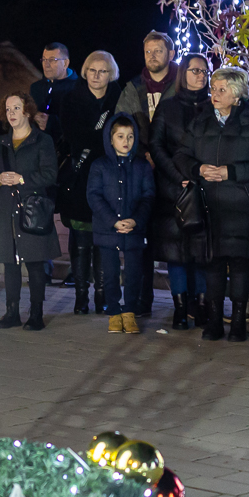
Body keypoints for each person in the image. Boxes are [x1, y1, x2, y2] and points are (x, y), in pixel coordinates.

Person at [180, 66, 249, 343]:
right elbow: (182, 154)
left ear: (237, 95)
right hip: (208, 203)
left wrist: (230, 172)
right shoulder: (201, 121)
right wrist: (198, 169)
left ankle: (238, 323)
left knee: (240, 263)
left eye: (222, 90)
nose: (215, 95)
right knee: (213, 264)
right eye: (213, 89)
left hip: (242, 204)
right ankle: (213, 322)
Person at [51, 49, 125, 312]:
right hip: (79, 176)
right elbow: (74, 136)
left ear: (111, 74)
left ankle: (102, 295)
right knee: (81, 239)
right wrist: (103, 142)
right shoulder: (70, 98)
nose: (96, 75)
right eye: (92, 70)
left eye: (102, 71)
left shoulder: (119, 98)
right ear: (85, 71)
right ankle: (81, 297)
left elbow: (124, 134)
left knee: (105, 238)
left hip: (110, 176)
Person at [150, 54, 212, 330]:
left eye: (205, 71)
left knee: (201, 251)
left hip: (206, 188)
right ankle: (178, 308)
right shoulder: (168, 107)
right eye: (195, 70)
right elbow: (157, 146)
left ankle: (200, 306)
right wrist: (178, 178)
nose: (200, 75)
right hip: (172, 190)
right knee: (175, 252)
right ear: (183, 73)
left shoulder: (214, 106)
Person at [0, 92, 59, 331]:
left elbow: (50, 174)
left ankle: (36, 313)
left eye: (16, 108)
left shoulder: (42, 141)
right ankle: (11, 312)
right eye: (8, 110)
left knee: (36, 263)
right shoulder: (1, 143)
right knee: (10, 263)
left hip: (32, 210)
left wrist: (22, 179)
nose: (11, 114)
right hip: (6, 209)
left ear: (27, 111)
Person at [90, 114, 153, 335]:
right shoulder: (100, 165)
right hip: (108, 230)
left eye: (130, 136)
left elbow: (148, 196)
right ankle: (114, 313)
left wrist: (135, 220)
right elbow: (94, 196)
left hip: (134, 230)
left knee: (134, 273)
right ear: (111, 139)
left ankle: (130, 312)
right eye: (120, 136)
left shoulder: (142, 166)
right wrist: (113, 221)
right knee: (110, 272)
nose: (126, 141)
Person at [116, 31, 181, 131]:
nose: (152, 56)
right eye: (148, 52)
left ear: (171, 54)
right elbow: (120, 125)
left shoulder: (183, 85)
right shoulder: (133, 89)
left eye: (158, 51)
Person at [29, 42, 78, 135]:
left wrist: (51, 122)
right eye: (44, 60)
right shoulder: (35, 88)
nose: (46, 65)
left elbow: (81, 124)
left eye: (52, 60)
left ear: (65, 63)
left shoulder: (79, 88)